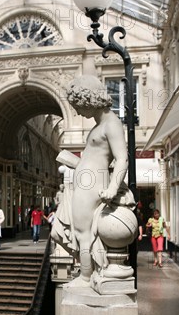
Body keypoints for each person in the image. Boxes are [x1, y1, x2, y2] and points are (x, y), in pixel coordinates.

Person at [52, 75, 135, 286]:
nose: (78, 111)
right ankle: (86, 274)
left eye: (78, 106)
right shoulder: (100, 125)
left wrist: (112, 188)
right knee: (71, 232)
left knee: (82, 233)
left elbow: (122, 158)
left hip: (93, 187)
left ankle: (86, 276)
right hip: (84, 183)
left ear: (88, 100)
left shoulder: (112, 124)